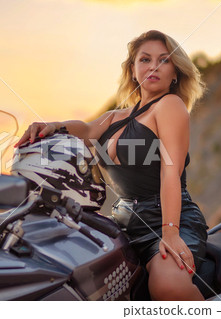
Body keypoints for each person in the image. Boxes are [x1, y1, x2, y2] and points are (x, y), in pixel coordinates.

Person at [14, 30, 208, 301]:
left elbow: (170, 173)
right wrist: (52, 126)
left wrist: (171, 232)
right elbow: (86, 129)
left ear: (175, 73)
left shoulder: (170, 105)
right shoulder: (115, 117)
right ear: (133, 69)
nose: (153, 66)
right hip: (122, 222)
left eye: (164, 60)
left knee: (167, 286)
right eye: (145, 59)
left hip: (167, 219)